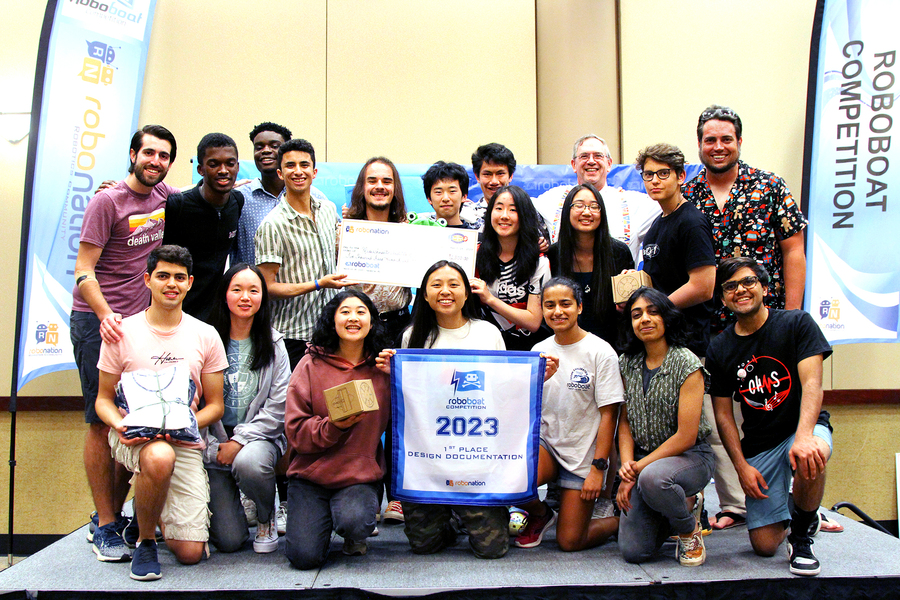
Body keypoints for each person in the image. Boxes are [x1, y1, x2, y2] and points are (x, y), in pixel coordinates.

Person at [72, 124, 178, 561]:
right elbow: (83, 270)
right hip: (97, 325)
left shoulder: (164, 196)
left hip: (138, 328)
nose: (155, 161)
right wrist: (104, 315)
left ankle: (112, 516)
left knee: (135, 423)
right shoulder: (107, 201)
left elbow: (196, 189)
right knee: (101, 422)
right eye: (148, 153)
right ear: (132, 153)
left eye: (164, 155)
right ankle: (104, 523)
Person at [94, 245, 227, 581]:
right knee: (158, 457)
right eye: (163, 276)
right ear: (147, 280)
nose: (172, 284)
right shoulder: (120, 332)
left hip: (183, 439)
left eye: (179, 277)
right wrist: (120, 424)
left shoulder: (206, 335)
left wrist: (181, 423)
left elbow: (215, 406)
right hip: (134, 436)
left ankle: (146, 512)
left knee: (190, 553)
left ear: (190, 283)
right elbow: (103, 400)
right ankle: (146, 541)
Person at [706, 257, 833, 577]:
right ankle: (803, 510)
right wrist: (741, 467)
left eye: (748, 282)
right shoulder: (720, 347)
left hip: (803, 428)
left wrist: (804, 437)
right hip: (761, 443)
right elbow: (723, 417)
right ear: (723, 298)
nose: (740, 290)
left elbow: (813, 385)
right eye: (730, 286)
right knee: (763, 545)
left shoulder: (796, 323)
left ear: (765, 287)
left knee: (810, 454)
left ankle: (802, 537)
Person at [376, 261, 509, 558]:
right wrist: (391, 373)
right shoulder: (413, 337)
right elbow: (409, 397)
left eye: (453, 284)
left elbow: (503, 389)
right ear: (424, 295)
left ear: (466, 294)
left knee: (492, 549)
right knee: (424, 546)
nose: (445, 291)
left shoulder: (487, 333)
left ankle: (466, 513)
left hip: (475, 456)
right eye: (436, 285)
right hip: (429, 457)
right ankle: (449, 520)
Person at [283, 290, 391, 569]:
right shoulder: (309, 364)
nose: (353, 318)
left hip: (358, 476)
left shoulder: (384, 366)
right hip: (310, 476)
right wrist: (333, 427)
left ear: (372, 321)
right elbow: (295, 432)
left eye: (360, 311)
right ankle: (319, 516)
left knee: (354, 521)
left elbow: (414, 416)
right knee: (304, 558)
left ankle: (352, 527)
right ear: (332, 320)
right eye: (344, 312)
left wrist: (400, 379)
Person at [513, 278, 622, 551]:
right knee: (509, 480)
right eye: (549, 305)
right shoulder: (539, 351)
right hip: (547, 446)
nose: (557, 312)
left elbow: (610, 416)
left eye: (565, 304)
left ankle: (621, 522)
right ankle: (542, 514)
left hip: (583, 454)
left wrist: (599, 468)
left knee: (571, 542)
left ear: (579, 307)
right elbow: (523, 404)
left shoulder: (601, 352)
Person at [684, 105, 807, 328]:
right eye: (710, 140)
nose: (718, 147)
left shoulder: (770, 186)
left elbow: (794, 250)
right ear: (700, 145)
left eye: (726, 139)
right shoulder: (686, 196)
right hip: (705, 328)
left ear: (739, 142)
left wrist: (792, 317)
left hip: (767, 323)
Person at [616, 287, 714, 567]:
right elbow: (624, 422)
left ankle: (687, 527)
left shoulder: (686, 362)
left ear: (667, 318)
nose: (644, 319)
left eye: (652, 312)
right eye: (636, 315)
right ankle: (672, 507)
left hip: (691, 457)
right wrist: (626, 466)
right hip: (645, 463)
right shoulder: (626, 363)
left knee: (653, 479)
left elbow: (686, 436)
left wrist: (636, 469)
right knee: (634, 552)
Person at [205, 263, 289, 554]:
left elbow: (279, 408)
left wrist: (239, 440)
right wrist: (213, 446)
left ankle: (265, 516)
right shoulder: (204, 340)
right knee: (229, 541)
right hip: (213, 442)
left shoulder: (275, 343)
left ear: (263, 298)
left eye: (254, 290)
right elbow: (193, 401)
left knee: (249, 463)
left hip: (259, 439)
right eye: (237, 289)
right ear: (224, 295)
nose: (245, 297)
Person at [255, 138, 352, 369]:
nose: (298, 171)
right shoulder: (272, 225)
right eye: (290, 166)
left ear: (314, 171)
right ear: (280, 173)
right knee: (294, 403)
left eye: (304, 165)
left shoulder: (328, 210)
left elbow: (339, 251)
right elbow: (266, 288)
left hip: (332, 331)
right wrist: (318, 284)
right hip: (293, 336)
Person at [635, 143, 716, 358]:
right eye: (649, 174)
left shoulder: (692, 222)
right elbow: (660, 281)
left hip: (688, 343)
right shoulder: (655, 226)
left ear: (680, 176)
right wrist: (635, 284)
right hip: (662, 341)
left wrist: (655, 309)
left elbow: (703, 286)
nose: (654, 180)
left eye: (663, 173)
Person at [532, 134, 660, 263]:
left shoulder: (635, 203)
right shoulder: (553, 198)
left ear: (609, 164)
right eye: (584, 156)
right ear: (574, 164)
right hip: (565, 280)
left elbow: (673, 208)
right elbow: (517, 208)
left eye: (598, 155)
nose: (591, 161)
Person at [163, 133, 243, 322]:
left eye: (230, 164)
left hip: (214, 317)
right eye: (214, 164)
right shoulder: (178, 205)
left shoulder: (237, 202)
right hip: (175, 313)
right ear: (200, 169)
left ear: (237, 167)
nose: (223, 170)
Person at [548, 183, 634, 350]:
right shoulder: (554, 254)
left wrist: (629, 298)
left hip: (613, 348)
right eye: (579, 205)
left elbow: (629, 312)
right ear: (567, 211)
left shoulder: (619, 253)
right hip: (564, 347)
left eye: (594, 206)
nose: (587, 212)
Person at [231, 122, 330, 266]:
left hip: (303, 286)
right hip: (254, 286)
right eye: (259, 147)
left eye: (274, 146)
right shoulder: (239, 198)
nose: (265, 150)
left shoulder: (316, 198)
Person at [471, 185, 551, 351]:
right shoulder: (474, 254)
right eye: (498, 208)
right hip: (484, 347)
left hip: (525, 349)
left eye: (513, 210)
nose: (504, 216)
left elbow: (533, 322)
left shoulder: (539, 262)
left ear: (524, 216)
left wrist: (490, 299)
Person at [346, 157, 413, 345]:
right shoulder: (343, 234)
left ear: (395, 189)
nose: (380, 186)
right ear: (362, 188)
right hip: (358, 325)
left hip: (399, 325)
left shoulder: (410, 232)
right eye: (372, 180)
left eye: (387, 181)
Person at [468, 142, 517, 228]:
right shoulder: (467, 215)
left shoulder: (526, 213)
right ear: (477, 176)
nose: (494, 181)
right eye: (487, 174)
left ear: (510, 175)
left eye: (500, 173)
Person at [422, 161, 480, 230]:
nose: (445, 198)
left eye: (452, 191)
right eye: (438, 192)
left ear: (464, 196)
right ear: (429, 199)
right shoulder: (422, 233)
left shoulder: (475, 237)